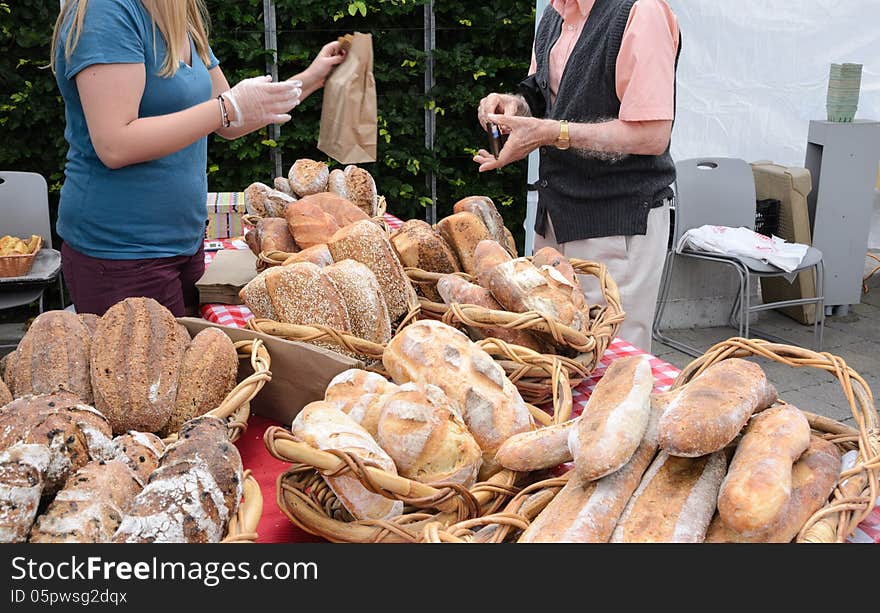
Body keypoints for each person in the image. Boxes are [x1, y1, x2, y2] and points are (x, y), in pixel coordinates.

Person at [50, 0, 345, 316]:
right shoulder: (106, 12)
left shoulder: (178, 13)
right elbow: (115, 144)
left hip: (184, 245)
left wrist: (314, 78)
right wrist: (227, 107)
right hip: (120, 254)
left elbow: (232, 121)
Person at [475, 0, 680, 352]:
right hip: (555, 217)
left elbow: (652, 135)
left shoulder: (642, 11)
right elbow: (547, 98)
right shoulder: (555, 14)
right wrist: (514, 107)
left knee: (612, 363)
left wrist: (553, 133)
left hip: (618, 225)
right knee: (555, 354)